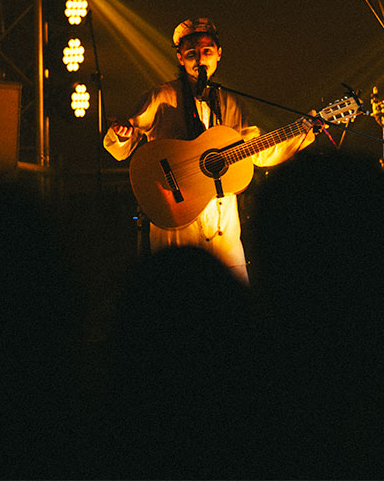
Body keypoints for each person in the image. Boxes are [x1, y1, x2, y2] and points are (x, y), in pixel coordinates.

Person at [103, 17, 317, 283]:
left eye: (206, 51)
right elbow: (122, 147)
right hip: (176, 220)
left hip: (221, 224)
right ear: (180, 58)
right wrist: (121, 134)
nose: (200, 59)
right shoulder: (161, 97)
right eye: (191, 53)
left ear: (218, 54)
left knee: (229, 295)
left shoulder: (231, 103)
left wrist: (303, 131)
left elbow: (259, 152)